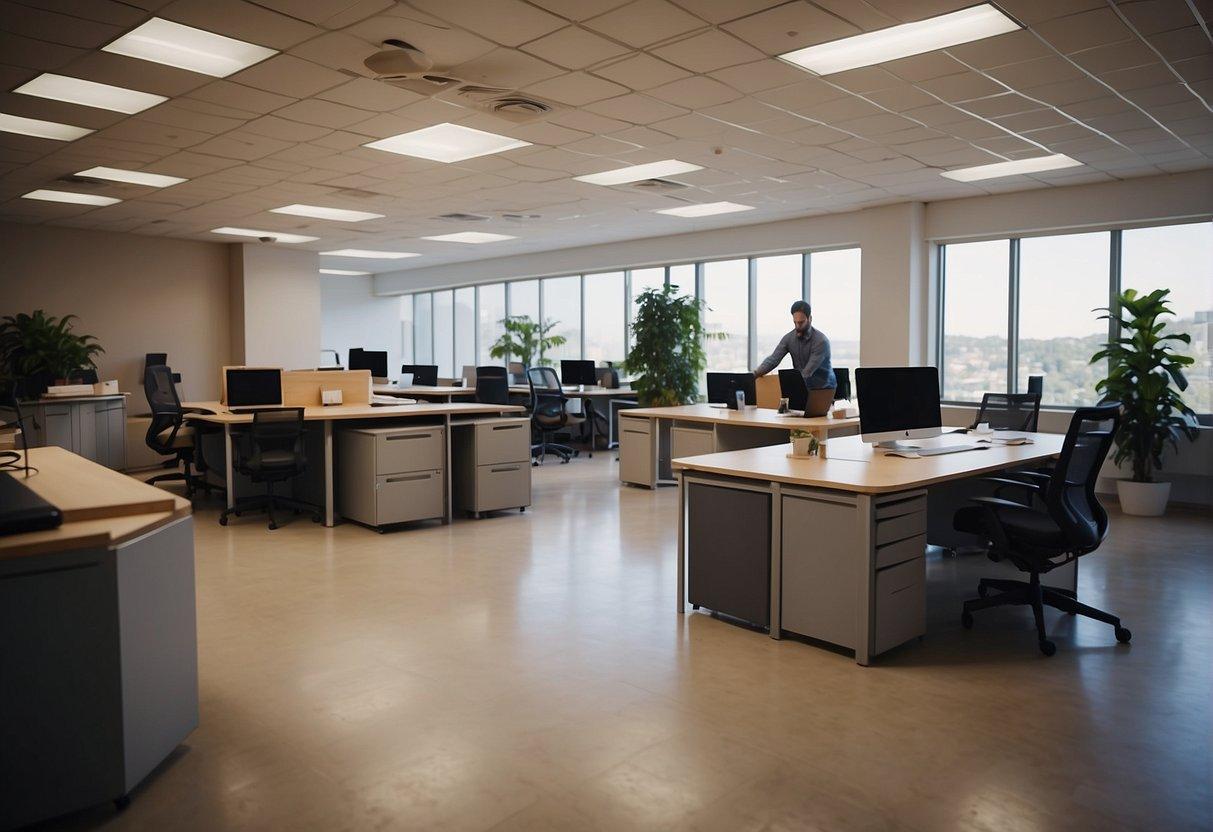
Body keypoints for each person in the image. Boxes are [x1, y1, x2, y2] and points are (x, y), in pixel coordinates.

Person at [753, 300, 836, 389]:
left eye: (801, 322)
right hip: (802, 386)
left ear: (810, 319)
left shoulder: (821, 341)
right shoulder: (789, 338)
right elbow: (773, 360)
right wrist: (754, 374)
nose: (797, 326)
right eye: (795, 322)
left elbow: (807, 372)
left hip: (823, 389)